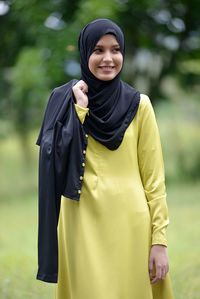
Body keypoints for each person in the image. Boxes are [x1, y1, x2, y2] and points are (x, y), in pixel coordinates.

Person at [36, 18, 174, 299]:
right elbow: (55, 162)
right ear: (85, 53)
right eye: (98, 50)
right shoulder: (66, 101)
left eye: (116, 50)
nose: (108, 58)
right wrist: (79, 112)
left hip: (130, 223)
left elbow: (154, 179)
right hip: (80, 223)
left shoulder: (140, 105)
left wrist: (159, 241)